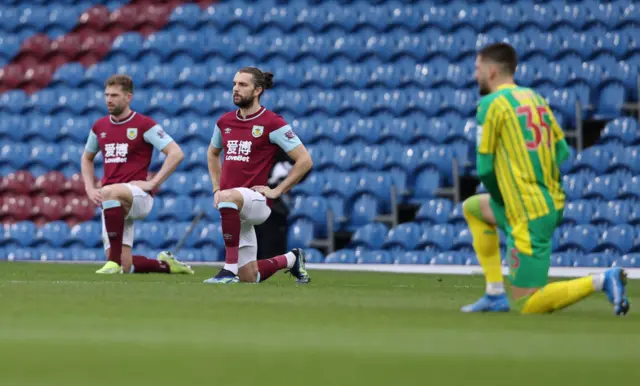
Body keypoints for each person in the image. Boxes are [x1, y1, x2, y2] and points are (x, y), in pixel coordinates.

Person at [461, 43, 630, 315]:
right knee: (473, 209)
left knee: (528, 303)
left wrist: (504, 196)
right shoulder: (534, 98)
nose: (475, 75)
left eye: (478, 69)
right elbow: (562, 151)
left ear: (491, 71)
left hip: (527, 210)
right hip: (545, 201)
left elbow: (484, 169)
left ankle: (601, 280)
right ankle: (494, 294)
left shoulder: (490, 104)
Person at [204, 67, 313, 284]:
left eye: (243, 85)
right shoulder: (224, 122)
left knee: (227, 197)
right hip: (233, 205)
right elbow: (212, 153)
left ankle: (228, 270)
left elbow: (305, 160)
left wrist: (277, 191)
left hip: (257, 201)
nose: (236, 88)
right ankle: (292, 259)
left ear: (257, 90)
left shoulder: (272, 122)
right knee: (249, 276)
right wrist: (216, 188)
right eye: (234, 83)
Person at [81, 74, 194, 275]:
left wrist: (153, 183)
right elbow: (87, 157)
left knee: (110, 192)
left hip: (138, 196)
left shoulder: (144, 125)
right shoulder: (100, 127)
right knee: (127, 265)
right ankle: (166, 265)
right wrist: (89, 188)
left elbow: (176, 153)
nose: (109, 99)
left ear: (128, 97)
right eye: (107, 95)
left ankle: (113, 263)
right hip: (111, 201)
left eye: (115, 95)